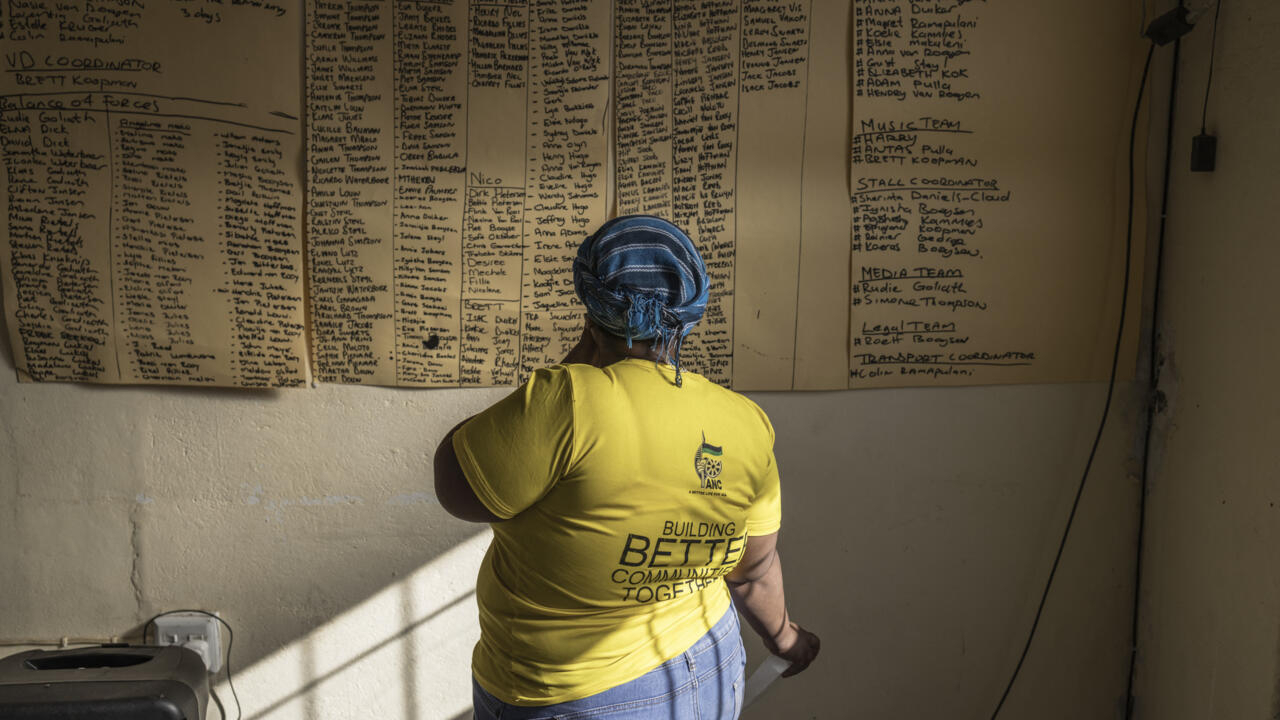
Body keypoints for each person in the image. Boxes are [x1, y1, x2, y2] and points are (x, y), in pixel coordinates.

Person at [434, 215, 819, 720]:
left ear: (591, 310)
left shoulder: (565, 402)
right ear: (691, 315)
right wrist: (786, 638)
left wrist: (583, 353)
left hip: (582, 695)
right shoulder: (744, 420)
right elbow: (752, 573)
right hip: (709, 667)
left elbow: (456, 488)